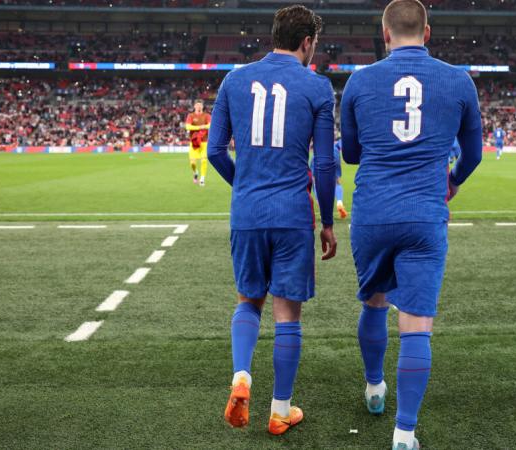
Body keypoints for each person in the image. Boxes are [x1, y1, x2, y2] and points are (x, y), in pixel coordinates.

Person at [340, 1, 483, 448]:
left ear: (384, 34)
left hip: (373, 212)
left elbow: (350, 154)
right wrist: (452, 182)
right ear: (428, 32)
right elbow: (473, 153)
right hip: (424, 213)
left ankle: (374, 387)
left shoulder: (360, 81)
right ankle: (405, 432)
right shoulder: (459, 80)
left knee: (375, 303)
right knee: (417, 325)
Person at [206, 4, 338, 436]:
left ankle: (241, 377)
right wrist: (327, 223)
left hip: (248, 210)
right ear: (306, 42)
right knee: (287, 315)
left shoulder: (233, 80)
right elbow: (323, 165)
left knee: (248, 301)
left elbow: (213, 153)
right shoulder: (317, 88)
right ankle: (279, 411)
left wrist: (243, 183)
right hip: (292, 214)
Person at [185, 100, 211, 186]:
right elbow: (187, 126)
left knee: (204, 160)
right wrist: (200, 127)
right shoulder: (191, 115)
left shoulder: (206, 115)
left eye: (200, 105)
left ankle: (202, 178)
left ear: (202, 106)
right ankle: (195, 172)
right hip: (194, 142)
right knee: (192, 163)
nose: (199, 106)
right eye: (197, 105)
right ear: (194, 106)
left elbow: (210, 125)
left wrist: (203, 126)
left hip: (204, 141)